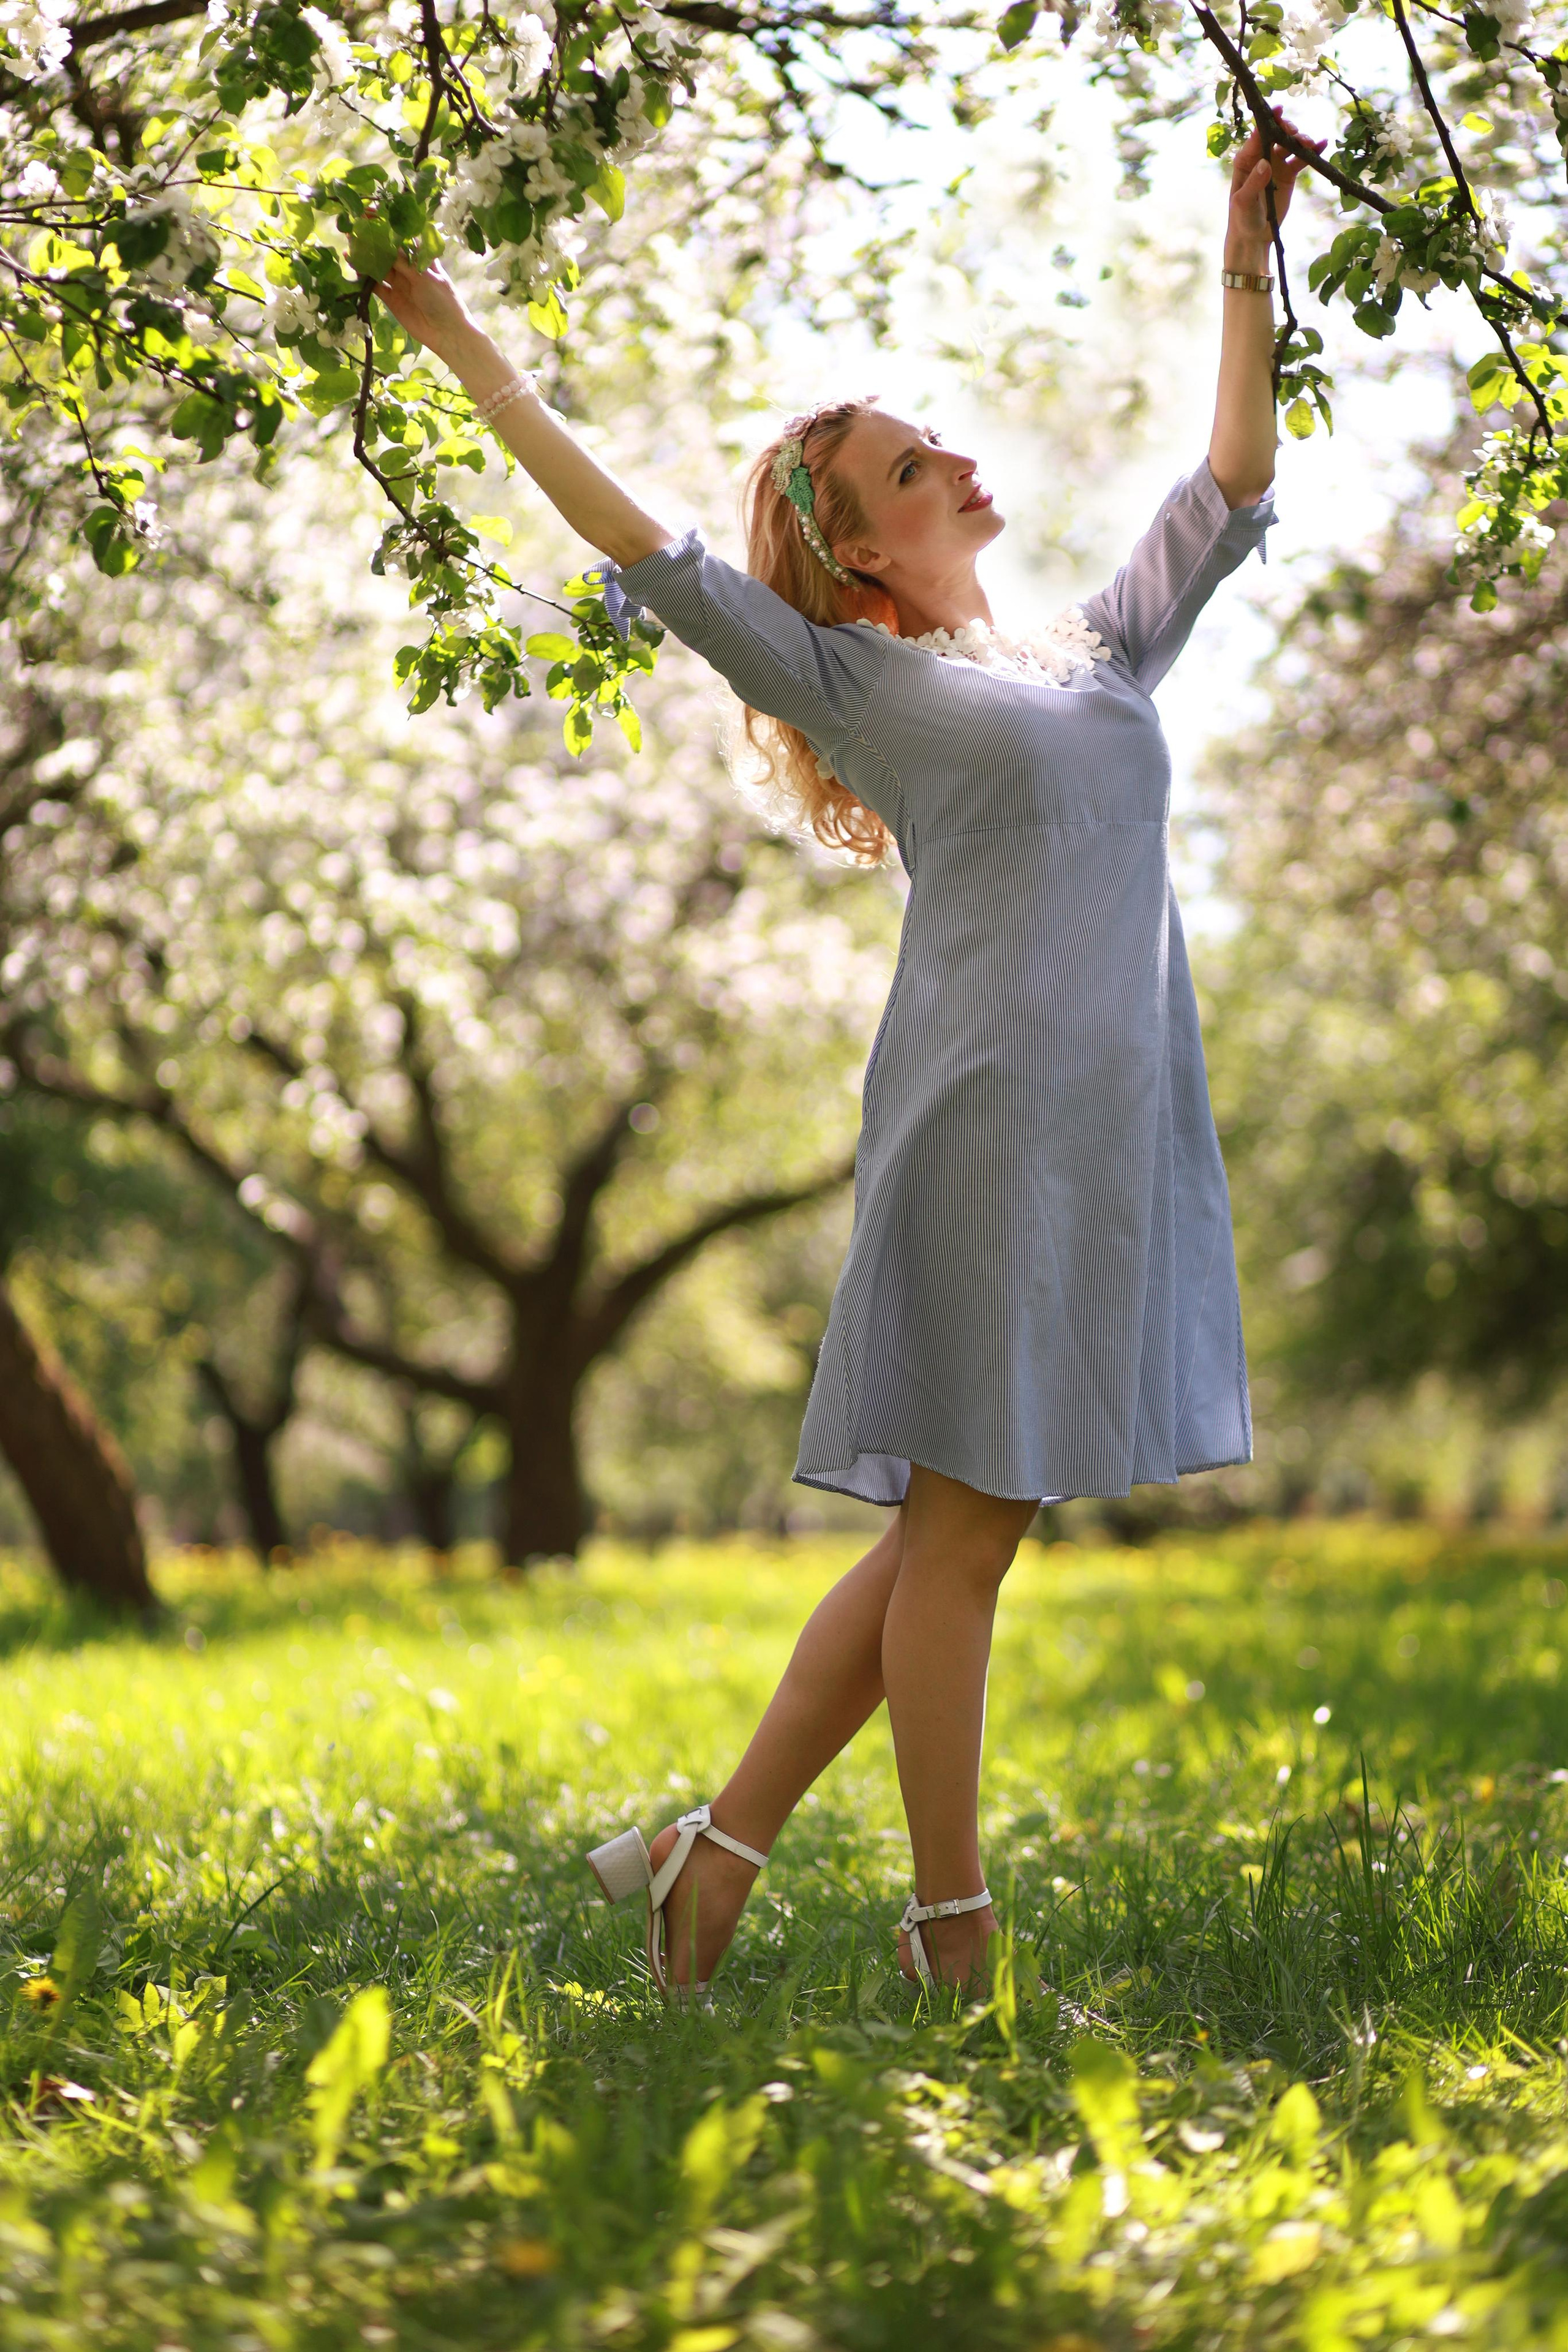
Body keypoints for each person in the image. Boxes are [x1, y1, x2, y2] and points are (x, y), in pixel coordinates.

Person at [375, 116, 1317, 2002]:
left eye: (936, 444)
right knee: (964, 1542)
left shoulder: (1091, 658)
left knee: (958, 1536)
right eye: (912, 466)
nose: (958, 462)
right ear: (860, 560)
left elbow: (1228, 478)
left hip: (1108, 1128)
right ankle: (948, 1932)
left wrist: (1242, 239)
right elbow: (637, 538)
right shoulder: (859, 680)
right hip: (987, 1131)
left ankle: (705, 1865)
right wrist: (466, 349)